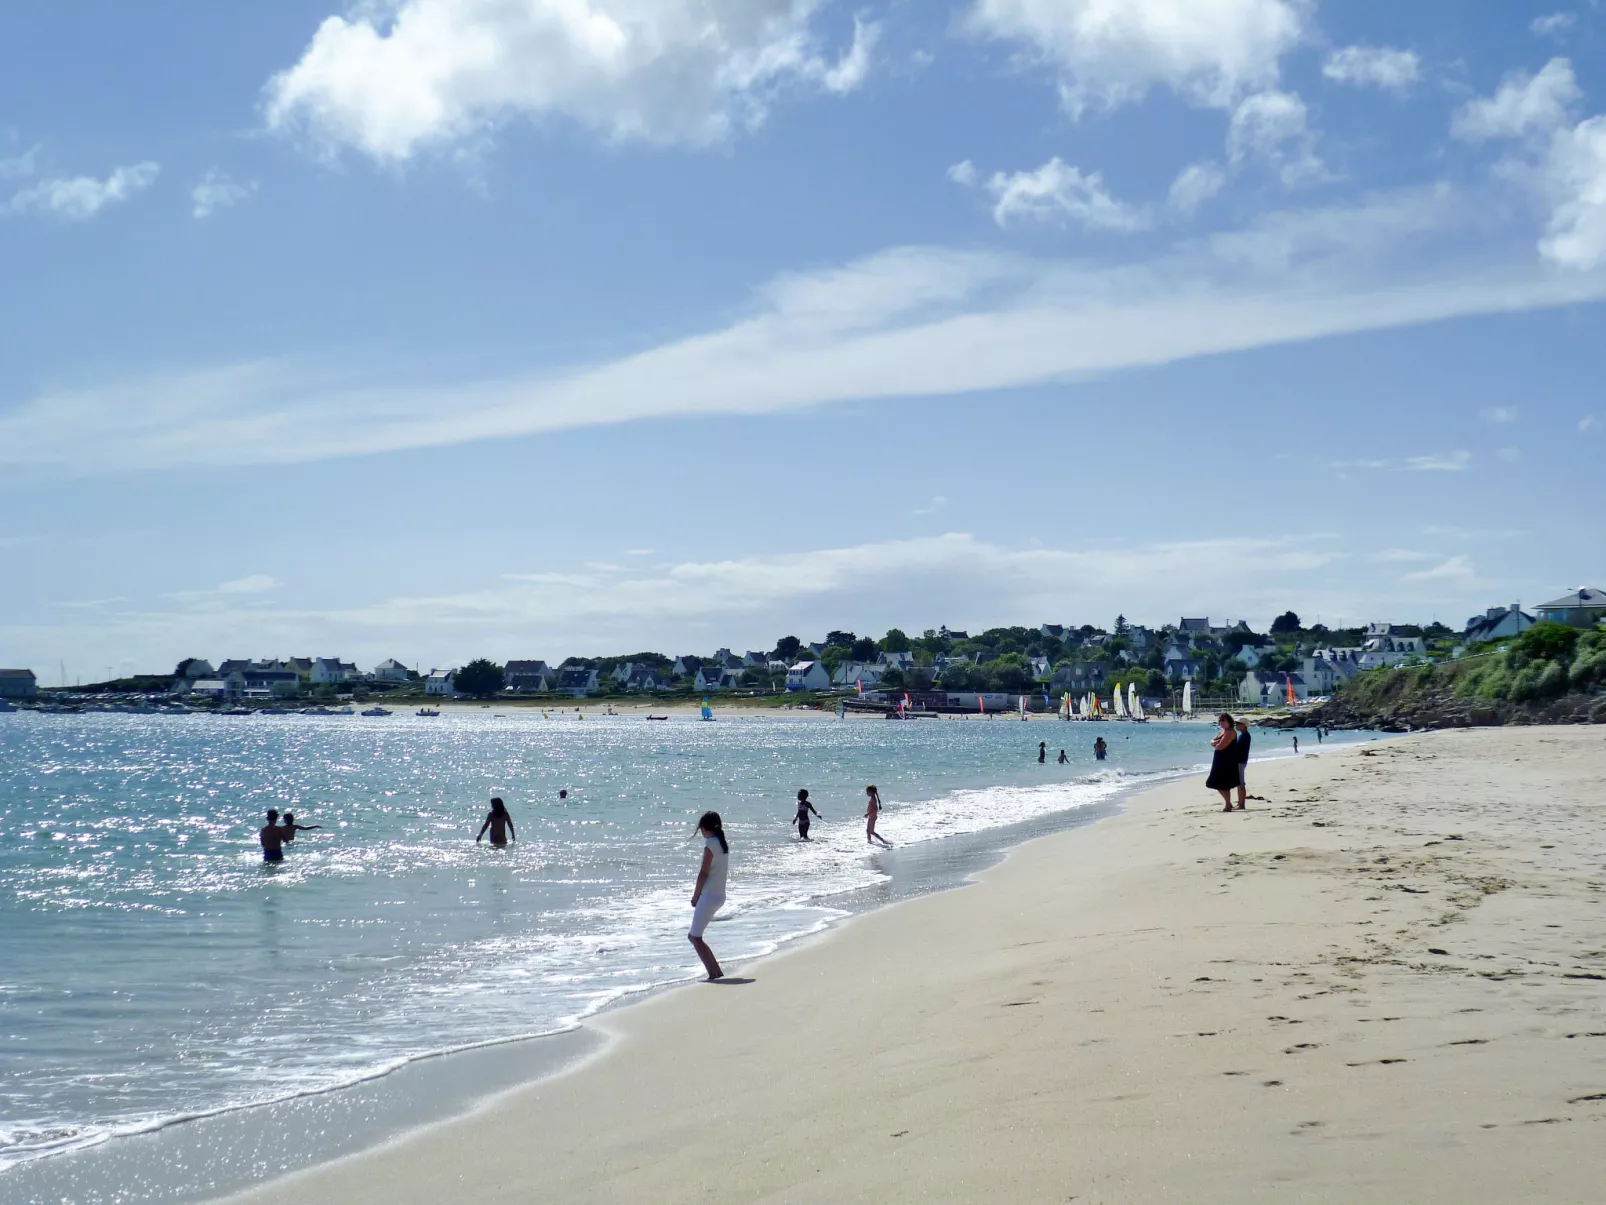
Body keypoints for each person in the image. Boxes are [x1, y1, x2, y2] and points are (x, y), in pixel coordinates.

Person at [688, 811, 728, 981]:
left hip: (709, 895)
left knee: (694, 937)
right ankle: (716, 972)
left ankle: (713, 973)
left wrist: (695, 896)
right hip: (719, 895)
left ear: (704, 828)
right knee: (697, 937)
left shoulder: (710, 844)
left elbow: (703, 873)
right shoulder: (722, 843)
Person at [1206, 713, 1240, 813]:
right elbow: (1212, 741)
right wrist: (1216, 742)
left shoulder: (1230, 732)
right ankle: (1228, 802)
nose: (1222, 723)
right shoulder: (1223, 731)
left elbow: (1220, 746)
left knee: (1224, 784)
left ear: (1229, 721)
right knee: (1214, 782)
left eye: (1224, 720)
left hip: (1227, 760)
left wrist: (1216, 743)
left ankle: (1227, 804)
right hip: (1219, 759)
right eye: (1220, 721)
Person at [1233, 721, 1251, 810]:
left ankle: (1242, 804)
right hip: (1240, 760)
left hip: (1241, 761)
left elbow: (1238, 748)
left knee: (1240, 783)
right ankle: (1240, 802)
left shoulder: (1245, 736)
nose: (1236, 725)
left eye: (1238, 724)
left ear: (1244, 725)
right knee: (1239, 783)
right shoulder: (1243, 735)